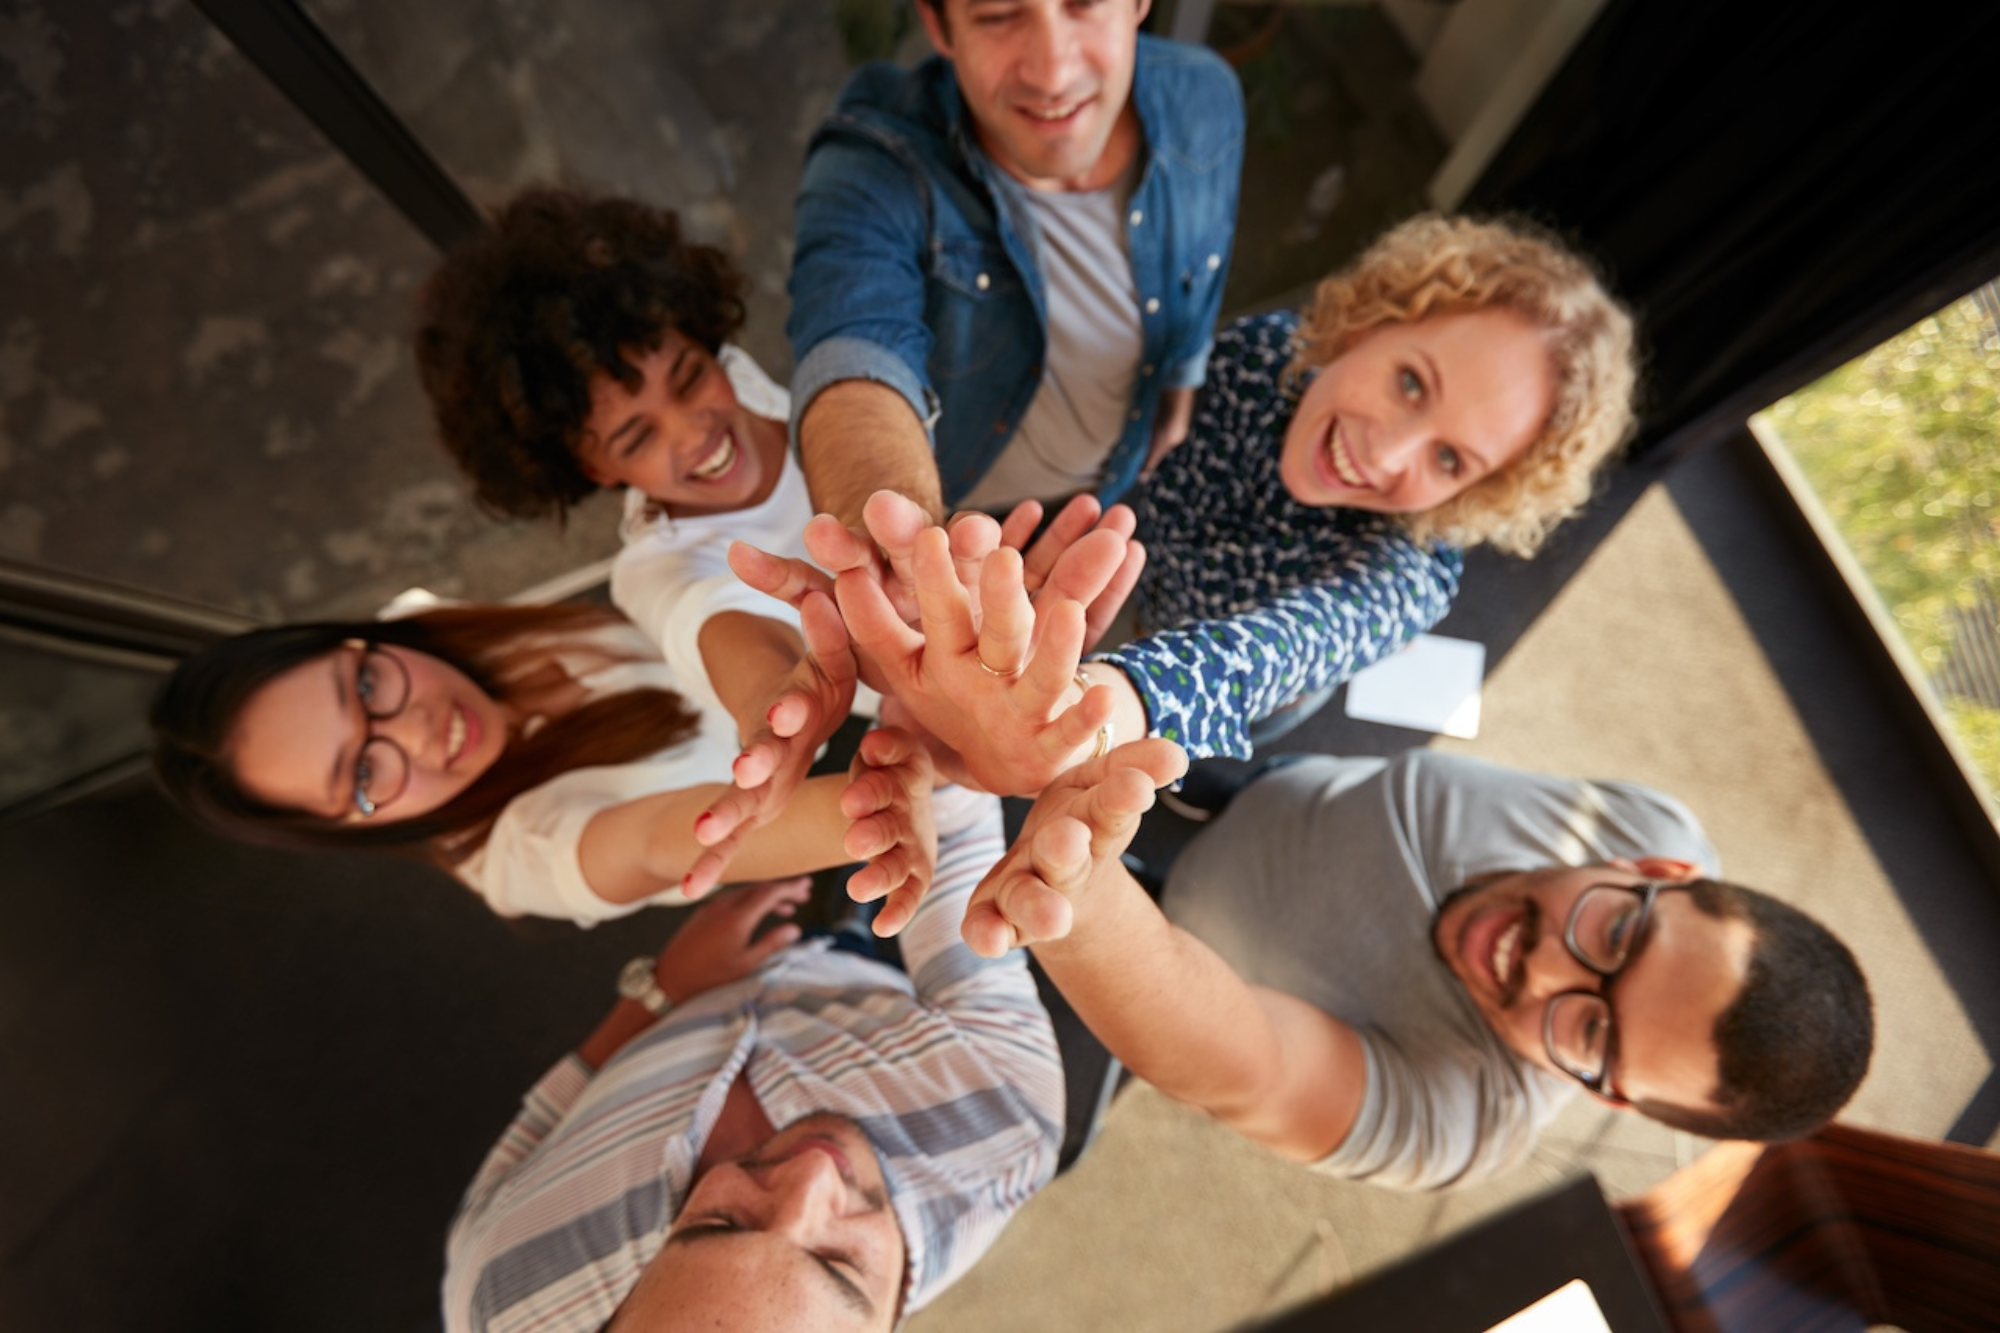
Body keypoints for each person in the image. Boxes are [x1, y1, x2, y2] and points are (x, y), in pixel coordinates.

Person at [750, 213, 1639, 792]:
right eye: (1411, 381)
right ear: (1373, 322)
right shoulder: (1268, 352)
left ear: (1476, 493)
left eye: (1450, 457)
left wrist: (1092, 712)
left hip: (1192, 674)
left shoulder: (1404, 580)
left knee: (1203, 769)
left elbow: (1258, 656)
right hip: (1124, 562)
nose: (1388, 453)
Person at [412, 186, 1139, 847]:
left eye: (692, 375)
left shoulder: (745, 377)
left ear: (706, 340)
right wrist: (776, 708)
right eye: (636, 436)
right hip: (929, 704)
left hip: (980, 558)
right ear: (592, 471)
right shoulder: (653, 571)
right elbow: (724, 636)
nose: (692, 431)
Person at [968, 738, 1875, 1191]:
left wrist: (1076, 890)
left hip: (1171, 932)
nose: (1540, 969)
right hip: (1284, 786)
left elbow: (1247, 1065)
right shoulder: (1654, 821)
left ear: (1608, 1095)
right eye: (1613, 937)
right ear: (1656, 870)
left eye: (1593, 1028)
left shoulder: (1462, 1123)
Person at [442, 734, 1063, 1330]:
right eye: (839, 1265)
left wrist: (658, 994)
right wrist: (933, 729)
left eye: (717, 1224)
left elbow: (525, 1145)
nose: (813, 1174)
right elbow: (950, 814)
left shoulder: (498, 1297)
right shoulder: (1004, 1122)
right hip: (884, 968)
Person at [148, 598, 936, 931]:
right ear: (349, 830)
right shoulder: (524, 855)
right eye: (362, 775)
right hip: (839, 776)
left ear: (357, 639)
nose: (419, 732)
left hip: (786, 661)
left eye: (364, 685)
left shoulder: (422, 626)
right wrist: (898, 789)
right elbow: (659, 841)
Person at [787, 0, 1245, 532]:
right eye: (999, 15)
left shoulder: (1205, 98)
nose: (1053, 74)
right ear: (940, 26)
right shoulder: (880, 159)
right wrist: (904, 547)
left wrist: (1181, 386)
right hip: (967, 521)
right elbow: (852, 351)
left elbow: (1205, 265)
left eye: (1087, 3)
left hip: (1119, 482)